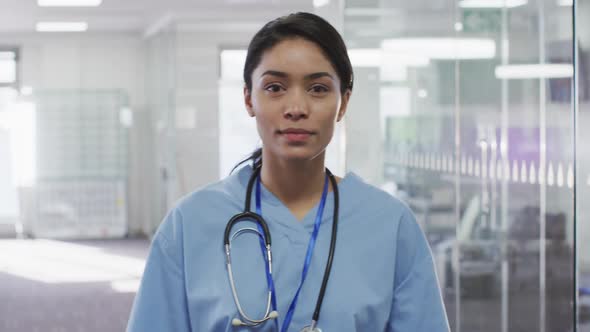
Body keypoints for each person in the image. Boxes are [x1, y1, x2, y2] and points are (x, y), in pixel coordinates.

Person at [127, 12, 449, 332]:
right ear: (248, 99)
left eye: (318, 89)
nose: (296, 108)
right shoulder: (189, 224)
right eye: (275, 87)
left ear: (344, 103)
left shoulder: (390, 225)